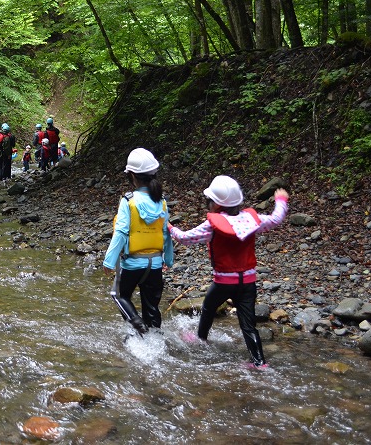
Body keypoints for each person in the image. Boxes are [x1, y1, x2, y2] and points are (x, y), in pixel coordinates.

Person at [169, 176, 289, 369]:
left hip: (224, 283)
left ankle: (201, 338)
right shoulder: (252, 220)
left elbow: (185, 238)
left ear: (215, 204)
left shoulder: (212, 225)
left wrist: (169, 227)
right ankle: (259, 363)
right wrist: (281, 201)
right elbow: (276, 219)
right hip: (248, 282)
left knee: (208, 307)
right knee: (248, 325)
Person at [103, 148, 173, 335]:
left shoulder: (128, 201)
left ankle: (137, 324)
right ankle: (156, 338)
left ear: (132, 176)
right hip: (156, 264)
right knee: (152, 308)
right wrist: (168, 259)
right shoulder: (162, 201)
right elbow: (165, 233)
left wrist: (109, 261)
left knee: (119, 295)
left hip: (133, 264)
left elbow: (121, 232)